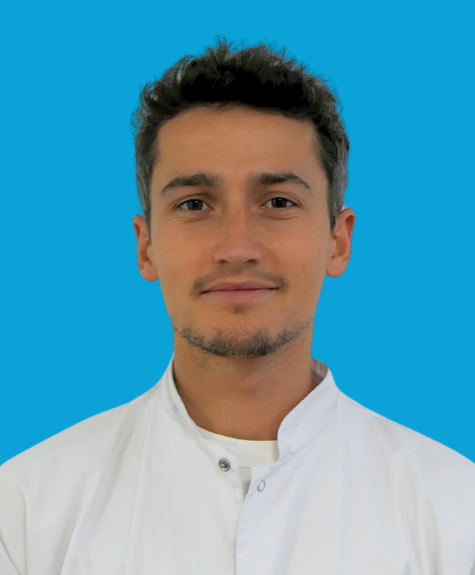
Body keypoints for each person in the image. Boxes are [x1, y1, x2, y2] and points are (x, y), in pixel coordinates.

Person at [0, 37, 474, 575]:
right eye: (194, 204)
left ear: (338, 241)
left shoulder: (455, 513)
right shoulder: (25, 513)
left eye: (278, 202)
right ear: (146, 246)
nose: (237, 247)